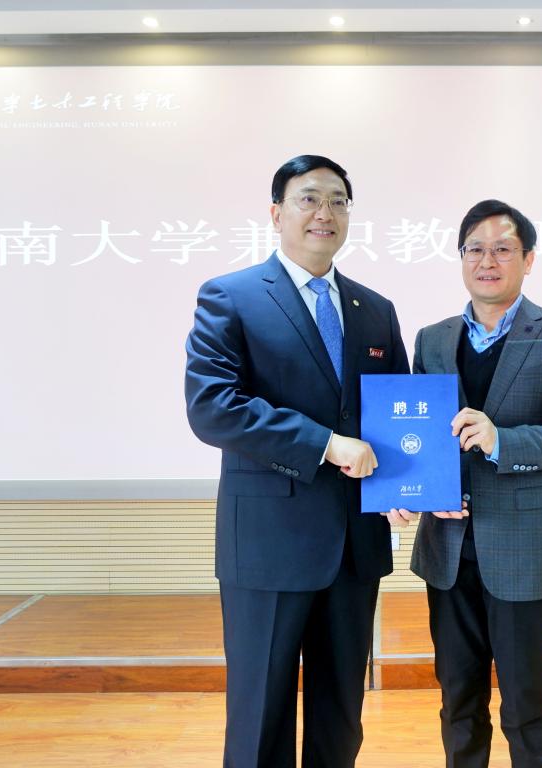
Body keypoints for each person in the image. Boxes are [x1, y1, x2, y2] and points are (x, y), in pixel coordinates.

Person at [186, 154, 410, 768]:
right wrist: (326, 444)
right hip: (268, 544)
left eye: (338, 201)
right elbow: (213, 408)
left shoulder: (374, 309)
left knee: (341, 718)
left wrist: (407, 485)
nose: (324, 213)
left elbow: (396, 414)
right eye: (309, 198)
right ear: (276, 212)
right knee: (260, 717)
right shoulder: (231, 297)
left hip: (354, 547)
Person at [385, 199, 542, 768]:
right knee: (458, 699)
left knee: (526, 703)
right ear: (461, 258)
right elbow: (417, 433)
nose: (488, 260)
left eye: (503, 249)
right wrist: (407, 492)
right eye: (475, 249)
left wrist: (501, 439)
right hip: (448, 547)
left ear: (528, 260)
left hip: (525, 548)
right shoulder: (433, 339)